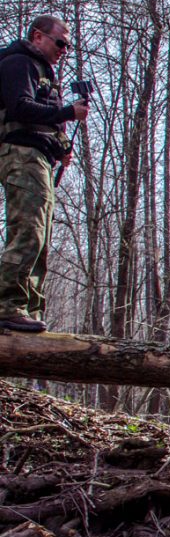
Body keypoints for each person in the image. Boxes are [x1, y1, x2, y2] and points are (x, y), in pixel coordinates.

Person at [0, 16, 90, 332]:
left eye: (68, 45)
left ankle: (28, 310)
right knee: (29, 230)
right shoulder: (18, 62)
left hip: (39, 157)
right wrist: (67, 111)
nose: (65, 50)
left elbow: (49, 121)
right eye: (60, 42)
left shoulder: (45, 75)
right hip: (20, 155)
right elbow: (20, 108)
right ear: (38, 37)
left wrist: (61, 147)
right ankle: (7, 305)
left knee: (42, 238)